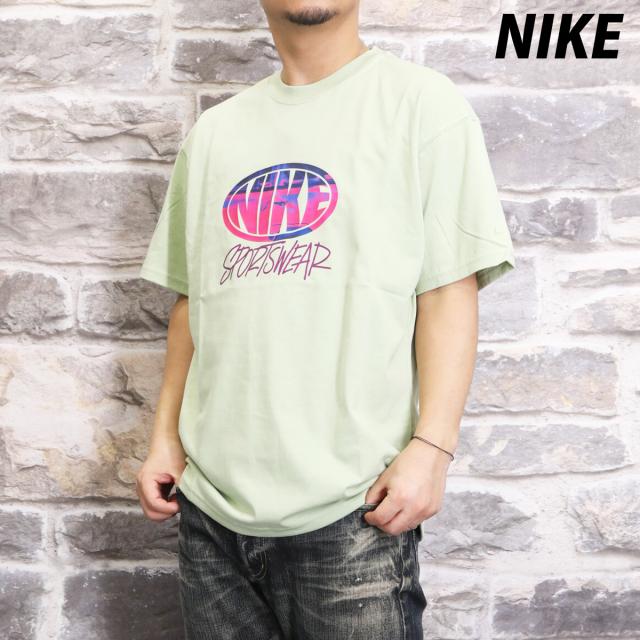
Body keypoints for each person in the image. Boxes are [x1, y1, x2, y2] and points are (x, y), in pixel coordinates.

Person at [135, 1, 516, 638]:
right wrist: (164, 439)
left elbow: (448, 290)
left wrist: (433, 449)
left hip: (354, 512)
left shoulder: (422, 105)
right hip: (209, 515)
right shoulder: (215, 133)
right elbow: (191, 304)